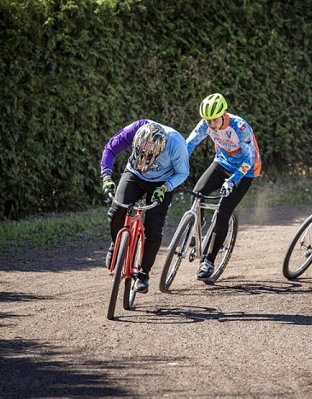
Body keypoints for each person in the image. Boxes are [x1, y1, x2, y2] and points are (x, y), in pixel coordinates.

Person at [100, 120, 189, 293]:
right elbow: (110, 148)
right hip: (134, 174)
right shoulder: (135, 129)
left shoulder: (176, 144)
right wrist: (106, 176)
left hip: (161, 183)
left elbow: (183, 172)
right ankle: (115, 245)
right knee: (116, 211)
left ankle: (143, 274)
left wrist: (166, 187)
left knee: (153, 228)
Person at [186, 93, 262, 279]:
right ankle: (198, 225)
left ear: (223, 114)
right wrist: (177, 165)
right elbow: (189, 144)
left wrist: (233, 181)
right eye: (207, 120)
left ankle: (208, 261)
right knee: (197, 193)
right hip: (222, 163)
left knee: (222, 213)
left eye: (214, 120)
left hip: (244, 171)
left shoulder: (240, 127)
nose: (211, 124)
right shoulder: (205, 124)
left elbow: (249, 159)